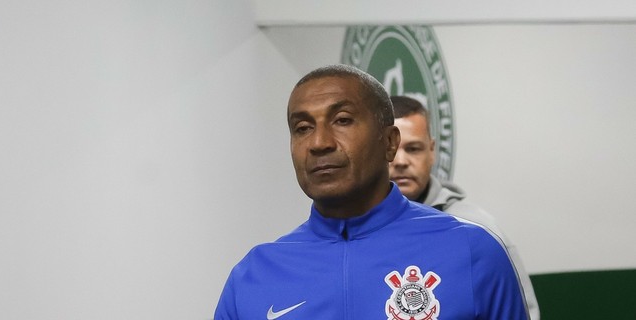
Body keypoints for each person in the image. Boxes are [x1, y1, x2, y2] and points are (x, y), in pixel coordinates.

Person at [214, 65, 528, 319]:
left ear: (390, 142)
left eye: (342, 120)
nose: (319, 142)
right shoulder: (253, 275)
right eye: (302, 127)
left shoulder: (472, 252)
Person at [388, 95, 540, 320]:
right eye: (392, 150)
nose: (401, 161)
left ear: (432, 151)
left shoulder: (477, 230)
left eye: (413, 148)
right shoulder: (355, 230)